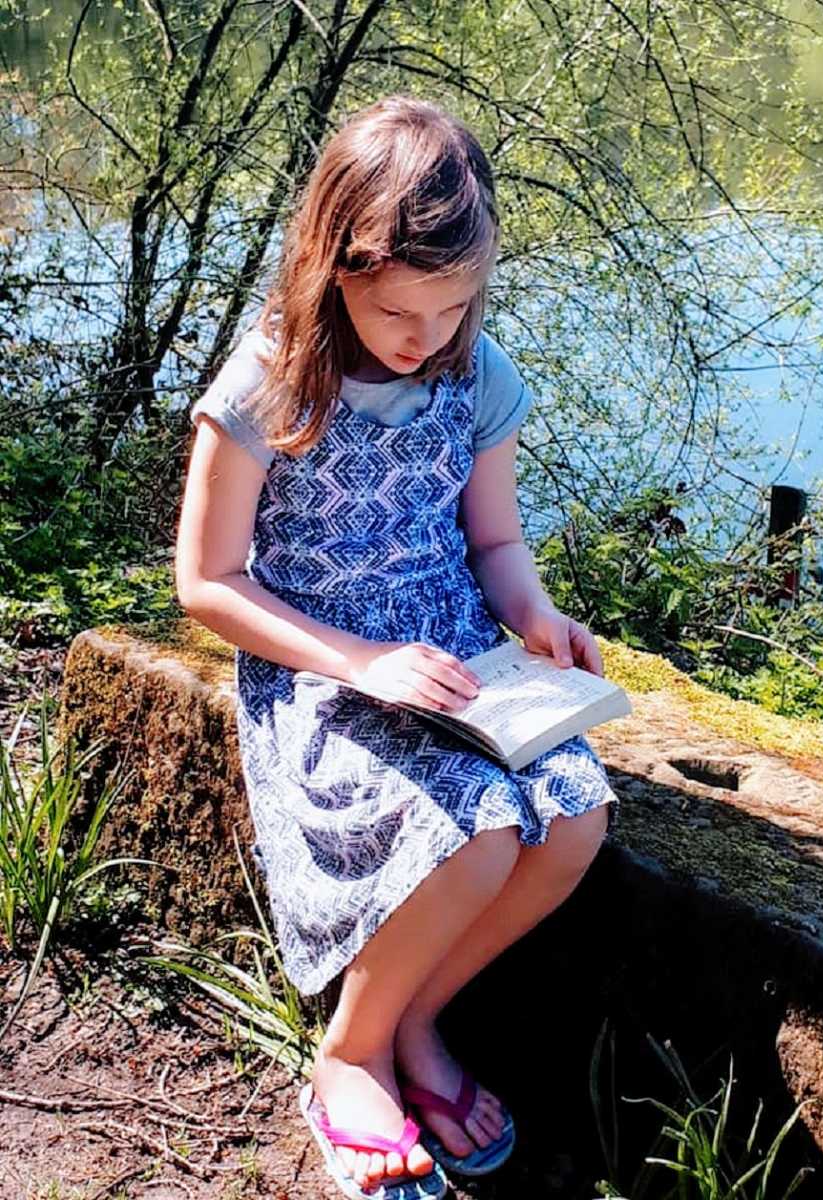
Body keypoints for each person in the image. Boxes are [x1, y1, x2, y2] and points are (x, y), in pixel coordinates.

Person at [176, 94, 619, 1200]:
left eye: (455, 307)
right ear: (337, 269)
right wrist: (360, 663)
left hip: (460, 656)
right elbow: (206, 583)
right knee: (469, 838)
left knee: (574, 819)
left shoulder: (479, 373)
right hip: (320, 668)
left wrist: (537, 618)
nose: (429, 340)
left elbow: (496, 537)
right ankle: (350, 1052)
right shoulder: (265, 385)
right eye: (401, 316)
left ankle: (414, 1016)